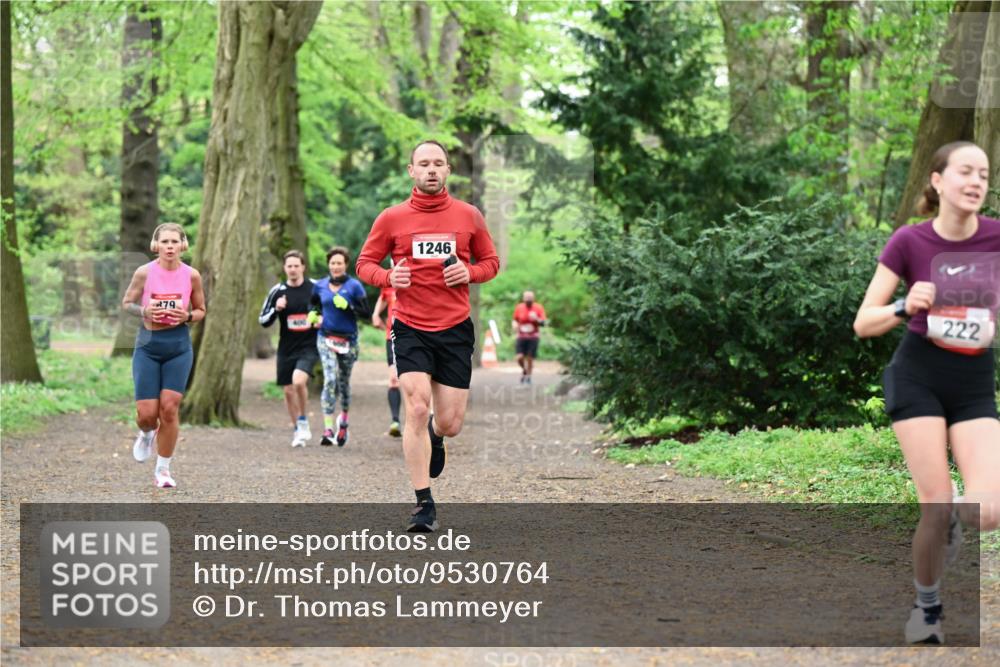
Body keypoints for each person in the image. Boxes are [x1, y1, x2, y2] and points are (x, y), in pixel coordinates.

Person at [853, 141, 999, 644]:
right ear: (938, 181)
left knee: (990, 509)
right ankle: (927, 608)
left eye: (983, 173)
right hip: (917, 375)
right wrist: (902, 307)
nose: (976, 181)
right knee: (934, 503)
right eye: (965, 171)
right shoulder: (909, 242)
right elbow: (863, 322)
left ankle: (954, 519)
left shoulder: (998, 238)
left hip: (974, 380)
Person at [357, 139, 499, 532]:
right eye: (424, 163)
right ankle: (423, 504)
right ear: (412, 171)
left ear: (448, 170)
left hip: (454, 328)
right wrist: (388, 276)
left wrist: (469, 273)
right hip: (409, 326)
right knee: (416, 408)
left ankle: (437, 436)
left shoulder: (469, 216)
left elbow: (491, 262)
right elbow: (365, 263)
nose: (431, 169)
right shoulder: (392, 218)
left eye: (438, 163)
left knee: (450, 422)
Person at [121, 223, 206, 489]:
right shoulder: (144, 273)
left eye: (174, 242)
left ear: (183, 245)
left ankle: (163, 470)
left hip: (178, 345)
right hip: (148, 345)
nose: (170, 246)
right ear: (155, 245)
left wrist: (188, 316)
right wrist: (145, 311)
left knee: (169, 409)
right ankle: (146, 433)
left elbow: (201, 309)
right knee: (148, 414)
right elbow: (127, 304)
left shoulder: (192, 275)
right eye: (165, 242)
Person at [310, 246, 369, 447]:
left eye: (339, 263)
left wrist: (349, 306)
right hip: (325, 337)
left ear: (345, 265)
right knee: (330, 379)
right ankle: (327, 429)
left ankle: (343, 421)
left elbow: (366, 313)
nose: (336, 266)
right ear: (329, 264)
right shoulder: (319, 285)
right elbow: (314, 305)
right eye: (333, 263)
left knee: (343, 382)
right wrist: (313, 315)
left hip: (348, 340)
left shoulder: (354, 287)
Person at [259, 250, 319, 447]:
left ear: (303, 267)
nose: (293, 269)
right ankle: (298, 430)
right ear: (285, 268)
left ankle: (303, 420)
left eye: (296, 266)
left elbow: (328, 312)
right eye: (289, 266)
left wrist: (321, 320)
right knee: (287, 390)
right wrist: (276, 309)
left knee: (299, 382)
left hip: (309, 346)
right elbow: (263, 320)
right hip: (286, 346)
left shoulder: (315, 288)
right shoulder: (278, 291)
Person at [372, 280, 403, 437]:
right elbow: (384, 297)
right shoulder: (390, 282)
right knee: (393, 379)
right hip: (392, 337)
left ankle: (425, 420)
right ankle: (395, 421)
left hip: (416, 337)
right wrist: (376, 314)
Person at [512, 290, 547, 384]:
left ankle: (528, 377)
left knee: (530, 358)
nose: (528, 300)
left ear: (533, 298)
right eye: (526, 298)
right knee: (519, 357)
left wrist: (537, 319)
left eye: (530, 298)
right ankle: (525, 370)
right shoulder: (519, 307)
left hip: (533, 336)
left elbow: (544, 323)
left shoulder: (538, 308)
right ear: (523, 298)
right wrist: (514, 325)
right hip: (521, 336)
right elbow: (515, 320)